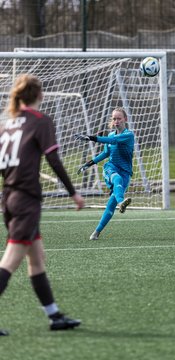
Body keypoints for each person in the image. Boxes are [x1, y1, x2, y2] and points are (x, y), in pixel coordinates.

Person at [0, 74, 85, 336]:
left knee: (37, 259)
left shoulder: (7, 125)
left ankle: (54, 315)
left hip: (10, 198)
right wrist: (74, 193)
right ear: (40, 95)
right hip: (25, 199)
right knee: (11, 260)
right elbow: (54, 160)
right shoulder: (40, 121)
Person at [75, 107, 134, 240]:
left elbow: (113, 141)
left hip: (125, 172)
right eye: (114, 118)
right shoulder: (110, 135)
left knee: (110, 206)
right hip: (111, 167)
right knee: (116, 178)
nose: (116, 121)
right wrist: (90, 163)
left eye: (119, 118)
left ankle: (96, 232)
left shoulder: (129, 135)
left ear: (125, 119)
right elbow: (106, 153)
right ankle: (121, 202)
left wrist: (91, 137)